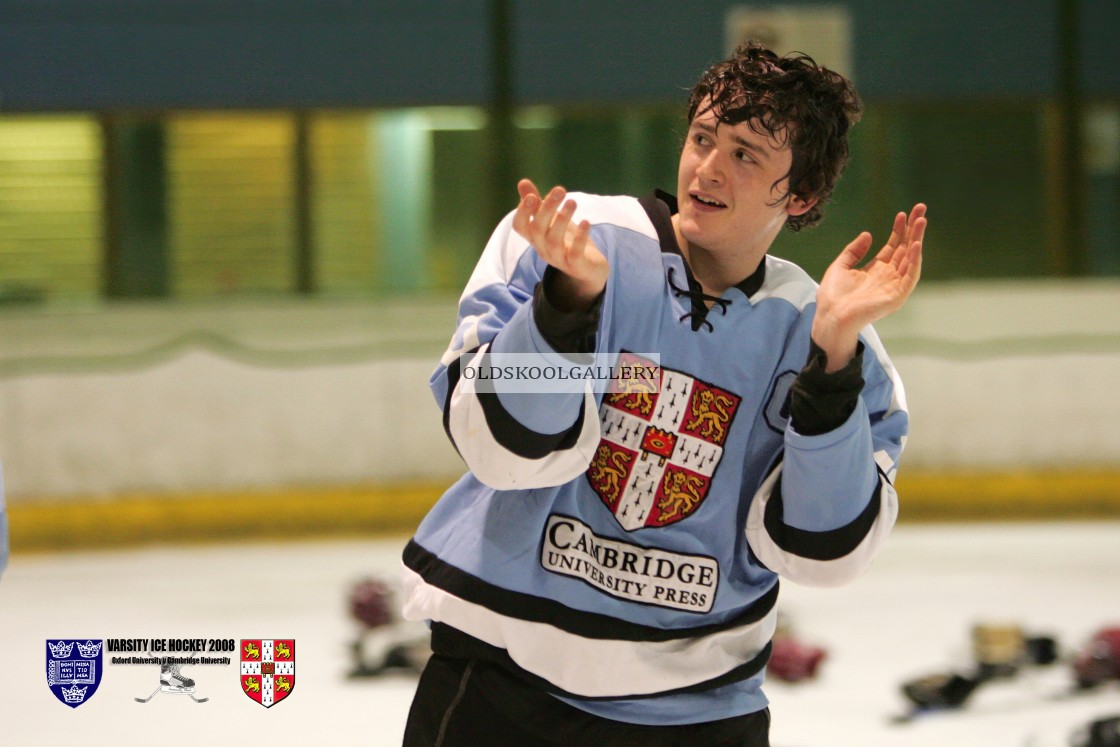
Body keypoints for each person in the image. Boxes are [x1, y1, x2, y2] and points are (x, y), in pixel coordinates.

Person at [400, 40, 926, 746]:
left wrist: (830, 363)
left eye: (745, 154)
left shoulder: (826, 333)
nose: (708, 167)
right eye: (703, 138)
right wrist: (565, 303)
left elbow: (824, 553)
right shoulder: (573, 239)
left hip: (700, 712)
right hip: (504, 680)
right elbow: (501, 451)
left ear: (799, 194)